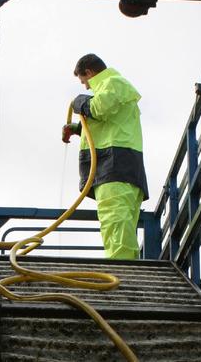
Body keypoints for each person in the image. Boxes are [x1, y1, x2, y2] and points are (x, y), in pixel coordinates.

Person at [62, 53, 148, 260]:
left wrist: (78, 102)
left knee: (115, 219)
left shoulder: (112, 83)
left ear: (89, 72)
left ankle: (122, 272)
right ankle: (125, 266)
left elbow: (98, 108)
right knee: (121, 221)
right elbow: (108, 126)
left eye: (84, 82)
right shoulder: (114, 88)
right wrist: (77, 129)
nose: (86, 88)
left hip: (115, 166)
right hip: (121, 164)